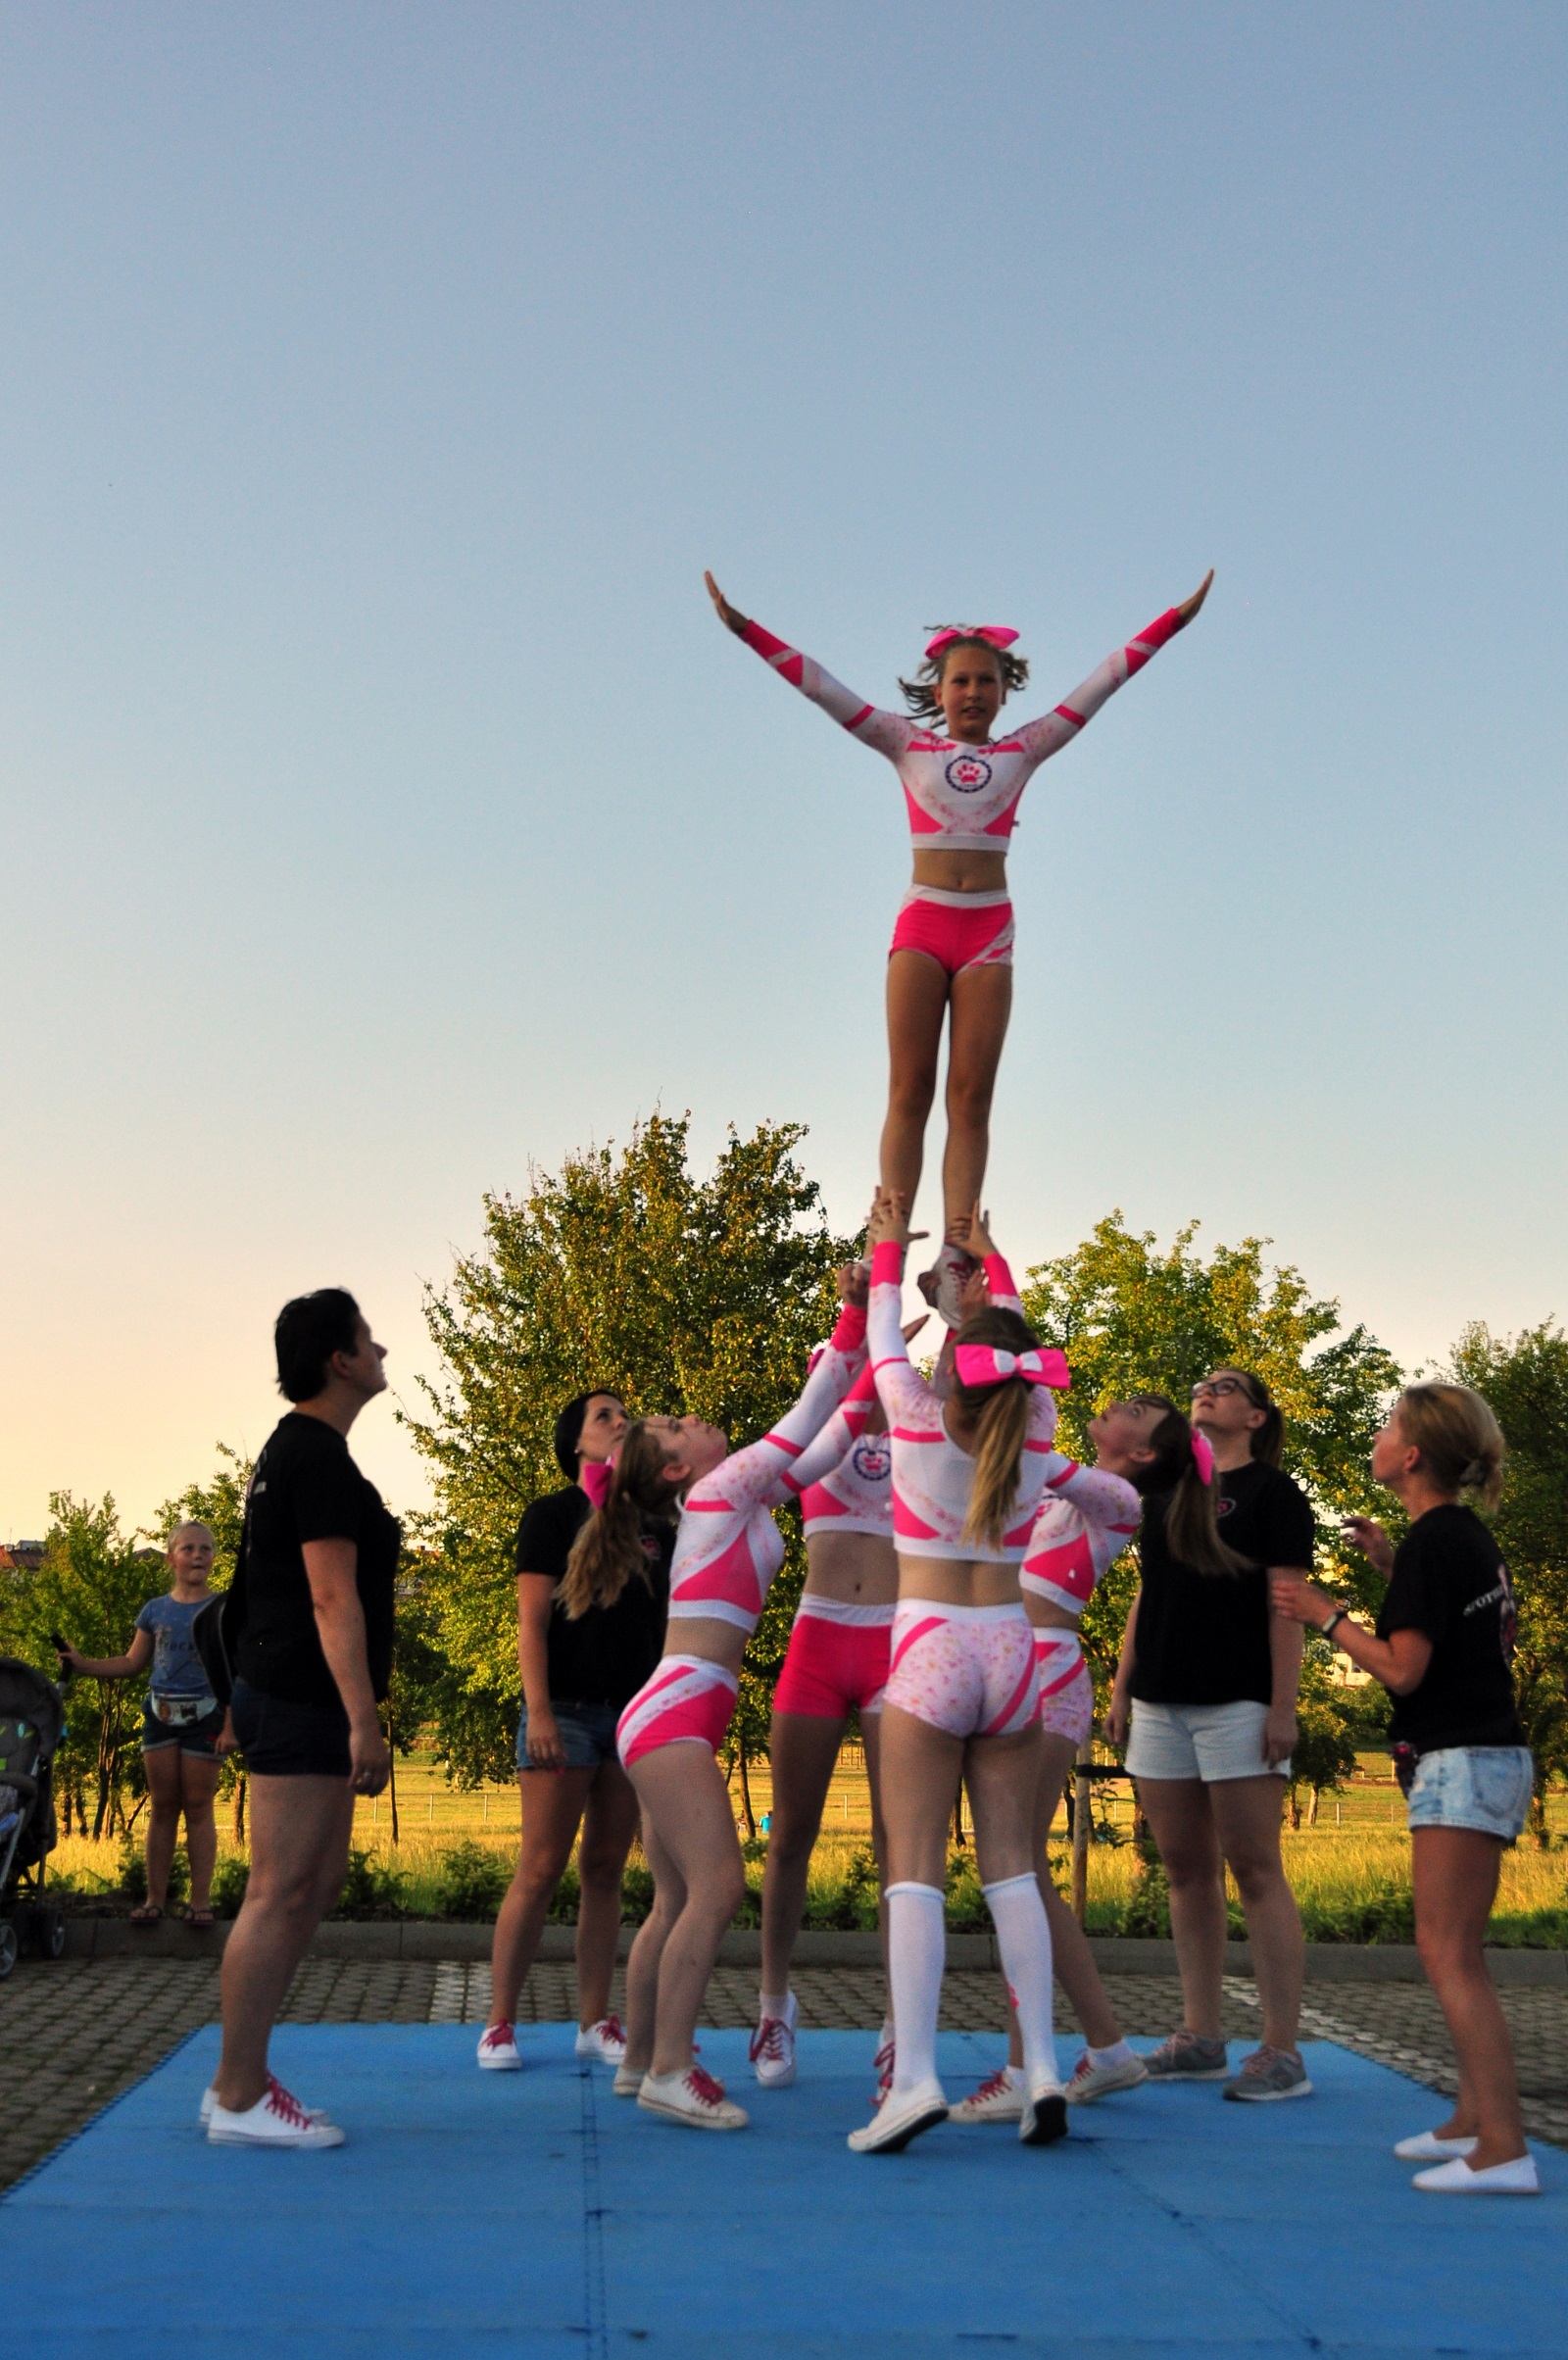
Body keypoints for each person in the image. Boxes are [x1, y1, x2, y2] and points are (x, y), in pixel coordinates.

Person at [705, 567, 1211, 1313]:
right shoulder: (902, 742)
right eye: (961, 681)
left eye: (988, 681)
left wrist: (1172, 619)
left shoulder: (1026, 750)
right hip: (924, 924)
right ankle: (889, 1237)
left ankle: (952, 1252)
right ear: (937, 692)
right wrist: (744, 627)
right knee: (909, 1089)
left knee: (971, 1098)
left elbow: (1103, 684)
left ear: (1005, 691)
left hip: (989, 932)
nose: (974, 692)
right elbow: (820, 686)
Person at [596, 1270, 871, 2130]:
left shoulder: (737, 1494)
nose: (695, 1417)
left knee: (675, 1903)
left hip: (662, 1715)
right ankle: (674, 2068)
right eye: (678, 1426)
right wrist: (858, 1318)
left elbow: (830, 1437)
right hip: (673, 1719)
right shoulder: (717, 1492)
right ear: (679, 1467)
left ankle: (641, 2060)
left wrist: (882, 1346)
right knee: (716, 1891)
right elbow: (810, 1410)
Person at [849, 1189, 1080, 2156]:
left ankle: (912, 2079)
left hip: (931, 1646)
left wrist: (883, 1248)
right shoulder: (1040, 1431)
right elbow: (1015, 1339)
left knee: (913, 1874)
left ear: (951, 1368)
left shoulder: (910, 1410)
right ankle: (1040, 2068)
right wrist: (991, 1263)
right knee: (1014, 1871)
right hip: (1012, 1651)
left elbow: (876, 1333)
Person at [1272, 1383, 1539, 2195]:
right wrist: (1392, 1568)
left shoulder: (1438, 1543)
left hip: (1461, 1759)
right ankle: (1469, 2119)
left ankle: (1503, 2148)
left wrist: (1324, 1613)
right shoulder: (1456, 1537)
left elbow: (1401, 1669)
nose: (1380, 1436)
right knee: (1460, 1951)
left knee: (1449, 1953)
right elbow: (1487, 1634)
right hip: (1488, 1755)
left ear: (1413, 1453)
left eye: (1390, 1426)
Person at [207, 1289, 398, 2150]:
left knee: (310, 1888)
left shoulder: (305, 1451)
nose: (380, 1347)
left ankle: (245, 2081)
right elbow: (330, 1597)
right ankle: (236, 2092)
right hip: (300, 1696)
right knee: (280, 1890)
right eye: (367, 1338)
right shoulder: (313, 1456)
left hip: (293, 1694)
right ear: (339, 1360)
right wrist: (365, 1717)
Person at [950, 1380, 1162, 2123]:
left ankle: (1021, 2066)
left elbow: (1033, 1455)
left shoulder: (1118, 1501)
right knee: (1024, 1871)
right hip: (1017, 1658)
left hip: (1044, 1665)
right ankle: (1104, 2048)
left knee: (1013, 1867)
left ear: (1141, 1452)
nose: (1117, 1401)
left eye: (1134, 1411)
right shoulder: (1058, 1492)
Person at [1108, 1368, 1314, 2102]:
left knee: (1255, 1868)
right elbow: (1147, 1589)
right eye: (1202, 1385)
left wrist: (1281, 1707)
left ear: (1256, 1417)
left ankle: (1282, 2051)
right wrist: (1123, 1682)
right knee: (1184, 1869)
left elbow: (1285, 1605)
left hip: (1239, 1703)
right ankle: (1200, 2036)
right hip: (1161, 1703)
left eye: (1226, 1387)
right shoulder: (1164, 1489)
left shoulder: (1274, 1494)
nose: (1208, 1391)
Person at [753, 1306, 927, 2091]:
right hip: (821, 1639)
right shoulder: (820, 1440)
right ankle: (773, 2006)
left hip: (896, 1644)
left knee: (902, 1843)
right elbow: (831, 1387)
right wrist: (866, 1316)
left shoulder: (919, 1429)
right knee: (790, 1833)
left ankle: (898, 2026)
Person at [476, 1388, 672, 2075]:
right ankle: (500, 2022)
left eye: (625, 1414)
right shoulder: (550, 1516)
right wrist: (538, 1712)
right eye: (605, 1416)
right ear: (577, 1443)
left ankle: (595, 2020)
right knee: (539, 1867)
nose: (622, 1421)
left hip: (634, 1715)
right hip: (564, 1713)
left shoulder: (654, 1524)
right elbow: (532, 1621)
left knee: (605, 1870)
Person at [58, 1521, 235, 1927]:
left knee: (198, 1806)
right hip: (159, 1716)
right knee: (162, 1807)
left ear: (214, 1558)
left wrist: (232, 1725)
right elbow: (131, 1663)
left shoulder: (224, 1609)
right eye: (188, 1548)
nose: (197, 1555)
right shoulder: (154, 1610)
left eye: (205, 1549)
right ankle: (155, 1900)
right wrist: (82, 1664)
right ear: (171, 1557)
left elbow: (236, 1671)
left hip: (205, 1715)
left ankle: (200, 1902)